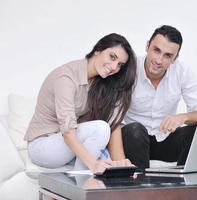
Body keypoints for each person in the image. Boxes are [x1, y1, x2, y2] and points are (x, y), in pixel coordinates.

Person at [24, 33, 137, 173]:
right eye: (112, 57)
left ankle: (69, 189)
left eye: (120, 64)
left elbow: (112, 124)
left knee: (108, 161)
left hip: (64, 146)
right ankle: (80, 187)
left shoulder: (97, 82)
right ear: (98, 50)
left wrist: (117, 162)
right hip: (42, 147)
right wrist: (93, 164)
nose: (114, 67)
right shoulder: (66, 78)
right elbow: (68, 133)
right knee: (101, 130)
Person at [108, 25, 197, 169]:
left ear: (175, 58)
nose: (159, 60)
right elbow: (113, 120)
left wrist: (182, 117)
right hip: (133, 140)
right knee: (135, 130)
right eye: (156, 50)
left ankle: (183, 185)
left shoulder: (182, 72)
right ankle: (140, 187)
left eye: (168, 55)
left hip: (165, 139)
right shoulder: (128, 69)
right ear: (147, 46)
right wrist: (119, 165)